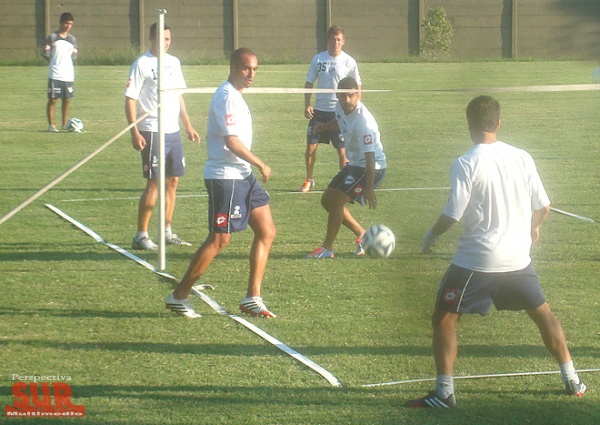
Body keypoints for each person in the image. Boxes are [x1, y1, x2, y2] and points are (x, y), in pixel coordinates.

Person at [407, 96, 587, 408]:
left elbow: (453, 214)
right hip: (518, 258)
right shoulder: (522, 156)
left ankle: (444, 393)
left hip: (477, 260)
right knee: (543, 314)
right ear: (499, 123)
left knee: (444, 319)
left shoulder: (465, 162)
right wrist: (532, 227)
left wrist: (430, 236)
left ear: (469, 125)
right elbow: (544, 207)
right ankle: (572, 378)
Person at [165, 48, 277, 319]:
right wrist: (260, 163)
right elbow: (231, 141)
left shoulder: (237, 96)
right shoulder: (226, 96)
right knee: (219, 240)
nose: (251, 74)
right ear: (232, 66)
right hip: (226, 177)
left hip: (243, 176)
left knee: (267, 230)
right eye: (245, 68)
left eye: (255, 69)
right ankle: (178, 296)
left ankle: (252, 297)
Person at [125, 23, 200, 251]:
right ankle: (141, 235)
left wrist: (187, 125)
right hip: (151, 130)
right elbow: (130, 99)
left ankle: (167, 231)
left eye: (168, 39)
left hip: (173, 131)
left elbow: (178, 96)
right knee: (154, 183)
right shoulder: (142, 64)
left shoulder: (174, 62)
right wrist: (134, 131)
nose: (165, 43)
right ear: (151, 38)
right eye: (161, 39)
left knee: (173, 181)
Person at [305, 77, 386, 259]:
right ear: (337, 95)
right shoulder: (340, 107)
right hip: (356, 164)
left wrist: (370, 188)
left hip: (371, 167)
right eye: (343, 96)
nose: (347, 100)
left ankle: (327, 248)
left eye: (351, 96)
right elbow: (339, 120)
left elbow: (370, 157)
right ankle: (362, 234)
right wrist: (325, 126)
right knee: (327, 200)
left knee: (337, 200)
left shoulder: (365, 123)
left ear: (358, 94)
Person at [300, 25, 362, 193]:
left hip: (339, 112)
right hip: (319, 112)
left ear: (343, 42)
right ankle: (309, 179)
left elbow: (357, 87)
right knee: (311, 147)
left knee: (342, 150)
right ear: (327, 41)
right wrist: (307, 104)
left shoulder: (349, 62)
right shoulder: (318, 59)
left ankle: (344, 180)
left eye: (338, 40)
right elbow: (309, 83)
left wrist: (354, 109)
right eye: (332, 39)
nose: (335, 42)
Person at [44, 12, 77, 133]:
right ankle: (51, 125)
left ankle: (64, 124)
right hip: (55, 74)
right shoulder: (52, 37)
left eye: (70, 24)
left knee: (67, 99)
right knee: (53, 99)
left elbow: (73, 57)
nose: (68, 26)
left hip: (68, 74)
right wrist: (54, 64)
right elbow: (46, 55)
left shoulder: (72, 40)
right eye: (66, 23)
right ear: (60, 22)